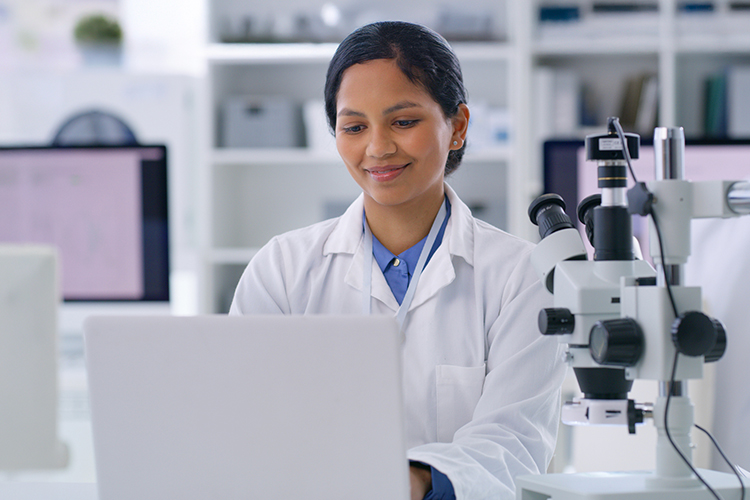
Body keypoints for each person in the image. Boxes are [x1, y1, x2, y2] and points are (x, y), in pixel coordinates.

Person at [229, 21, 566, 500]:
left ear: (458, 127)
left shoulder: (520, 275)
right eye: (354, 127)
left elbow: (514, 441)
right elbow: (247, 419)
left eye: (404, 121)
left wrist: (412, 481)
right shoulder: (282, 269)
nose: (377, 147)